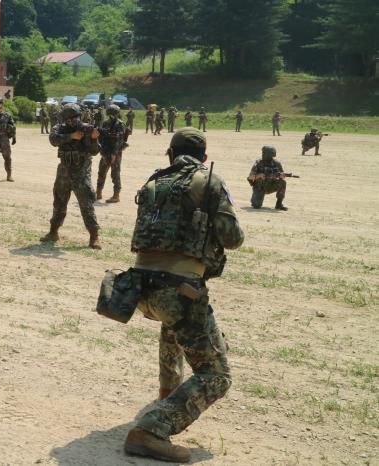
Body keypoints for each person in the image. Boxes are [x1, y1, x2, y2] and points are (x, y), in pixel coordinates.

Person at [117, 128, 244, 462]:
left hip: (142, 290)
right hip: (179, 291)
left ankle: (168, 395)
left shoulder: (152, 184)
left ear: (170, 155)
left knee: (173, 328)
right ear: (203, 157)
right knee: (216, 376)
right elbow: (233, 238)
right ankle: (150, 430)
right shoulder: (209, 182)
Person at [40, 103, 102, 250]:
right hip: (64, 171)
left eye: (76, 117)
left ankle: (94, 236)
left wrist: (93, 138)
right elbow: (53, 140)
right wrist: (71, 136)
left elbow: (94, 152)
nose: (73, 120)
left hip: (81, 171)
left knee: (86, 204)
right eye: (70, 117)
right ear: (65, 118)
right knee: (59, 202)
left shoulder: (86, 129)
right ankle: (53, 232)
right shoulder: (59, 128)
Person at [96, 105, 127, 204]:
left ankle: (116, 195)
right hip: (106, 151)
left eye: (113, 114)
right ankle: (98, 193)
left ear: (117, 113)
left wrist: (114, 153)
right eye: (110, 114)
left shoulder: (120, 124)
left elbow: (119, 140)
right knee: (101, 172)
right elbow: (102, 137)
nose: (112, 116)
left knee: (115, 174)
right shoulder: (106, 123)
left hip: (116, 152)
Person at [247, 146, 288, 210]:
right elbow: (250, 177)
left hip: (271, 185)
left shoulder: (277, 163)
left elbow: (282, 175)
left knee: (282, 182)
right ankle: (256, 199)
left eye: (264, 153)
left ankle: (279, 204)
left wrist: (282, 176)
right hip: (260, 187)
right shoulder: (258, 163)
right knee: (256, 206)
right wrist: (259, 175)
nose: (263, 154)